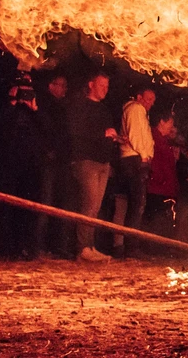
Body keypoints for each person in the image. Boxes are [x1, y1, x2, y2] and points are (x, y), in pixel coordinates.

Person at [0, 80, 47, 259]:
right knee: (6, 209)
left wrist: (35, 110)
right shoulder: (6, 110)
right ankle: (7, 248)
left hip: (31, 168)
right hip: (8, 166)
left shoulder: (35, 113)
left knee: (28, 209)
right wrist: (11, 103)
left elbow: (50, 131)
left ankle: (25, 247)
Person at [67, 72, 118, 263]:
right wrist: (103, 133)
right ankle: (82, 248)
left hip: (103, 162)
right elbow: (77, 132)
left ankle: (90, 246)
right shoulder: (81, 106)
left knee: (95, 207)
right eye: (101, 85)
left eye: (107, 86)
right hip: (87, 161)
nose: (105, 89)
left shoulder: (104, 110)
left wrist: (114, 138)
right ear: (91, 84)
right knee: (88, 205)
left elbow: (105, 135)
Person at [35, 74, 72, 257]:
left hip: (61, 161)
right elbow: (46, 131)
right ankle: (39, 245)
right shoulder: (45, 105)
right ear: (51, 86)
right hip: (49, 161)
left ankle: (56, 246)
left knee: (59, 204)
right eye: (61, 85)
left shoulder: (62, 107)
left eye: (66, 86)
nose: (64, 89)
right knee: (45, 203)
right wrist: (49, 151)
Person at [114, 87, 154, 256]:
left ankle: (121, 245)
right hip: (134, 159)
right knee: (137, 204)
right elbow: (137, 136)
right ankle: (131, 246)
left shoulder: (136, 110)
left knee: (128, 204)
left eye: (153, 100)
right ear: (139, 97)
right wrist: (144, 157)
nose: (150, 103)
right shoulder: (136, 109)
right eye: (147, 98)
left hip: (131, 159)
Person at [144, 112, 181, 241]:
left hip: (165, 188)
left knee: (163, 218)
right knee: (155, 218)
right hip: (158, 187)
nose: (172, 126)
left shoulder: (165, 140)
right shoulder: (153, 137)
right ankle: (150, 245)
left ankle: (158, 246)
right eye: (170, 123)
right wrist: (160, 179)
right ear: (162, 122)